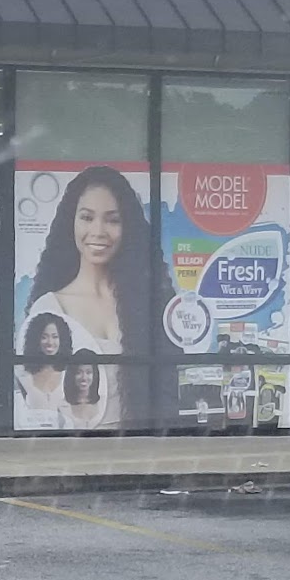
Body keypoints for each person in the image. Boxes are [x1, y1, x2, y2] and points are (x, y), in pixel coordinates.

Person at [24, 166, 174, 427]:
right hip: (74, 446)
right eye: (87, 217)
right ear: (71, 222)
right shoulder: (49, 308)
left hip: (140, 444)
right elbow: (40, 398)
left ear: (128, 228)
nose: (98, 231)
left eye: (112, 220)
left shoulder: (148, 303)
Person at [17, 312, 71, 418]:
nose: (50, 342)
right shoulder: (22, 375)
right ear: (35, 340)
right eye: (44, 337)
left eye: (55, 337)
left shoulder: (70, 373)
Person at [60, 353, 106, 429]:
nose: (84, 377)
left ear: (94, 375)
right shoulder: (62, 407)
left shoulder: (104, 403)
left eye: (88, 372)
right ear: (71, 375)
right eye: (78, 372)